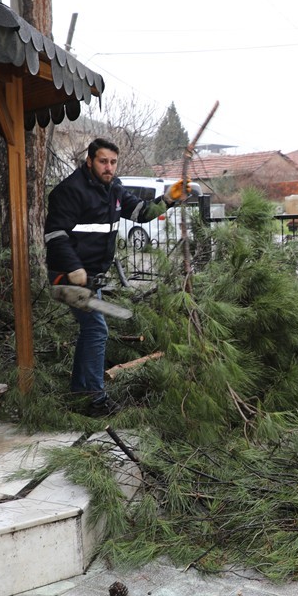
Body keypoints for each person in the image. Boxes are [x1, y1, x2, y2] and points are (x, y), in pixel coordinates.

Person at [45, 138, 190, 414]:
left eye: (112, 162)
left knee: (92, 330)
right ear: (89, 161)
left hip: (91, 277)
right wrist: (73, 267)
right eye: (103, 161)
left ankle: (81, 393)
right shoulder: (69, 191)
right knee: (96, 329)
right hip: (67, 275)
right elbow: (55, 234)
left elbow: (142, 212)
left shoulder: (114, 189)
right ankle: (94, 399)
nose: (108, 167)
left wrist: (170, 198)